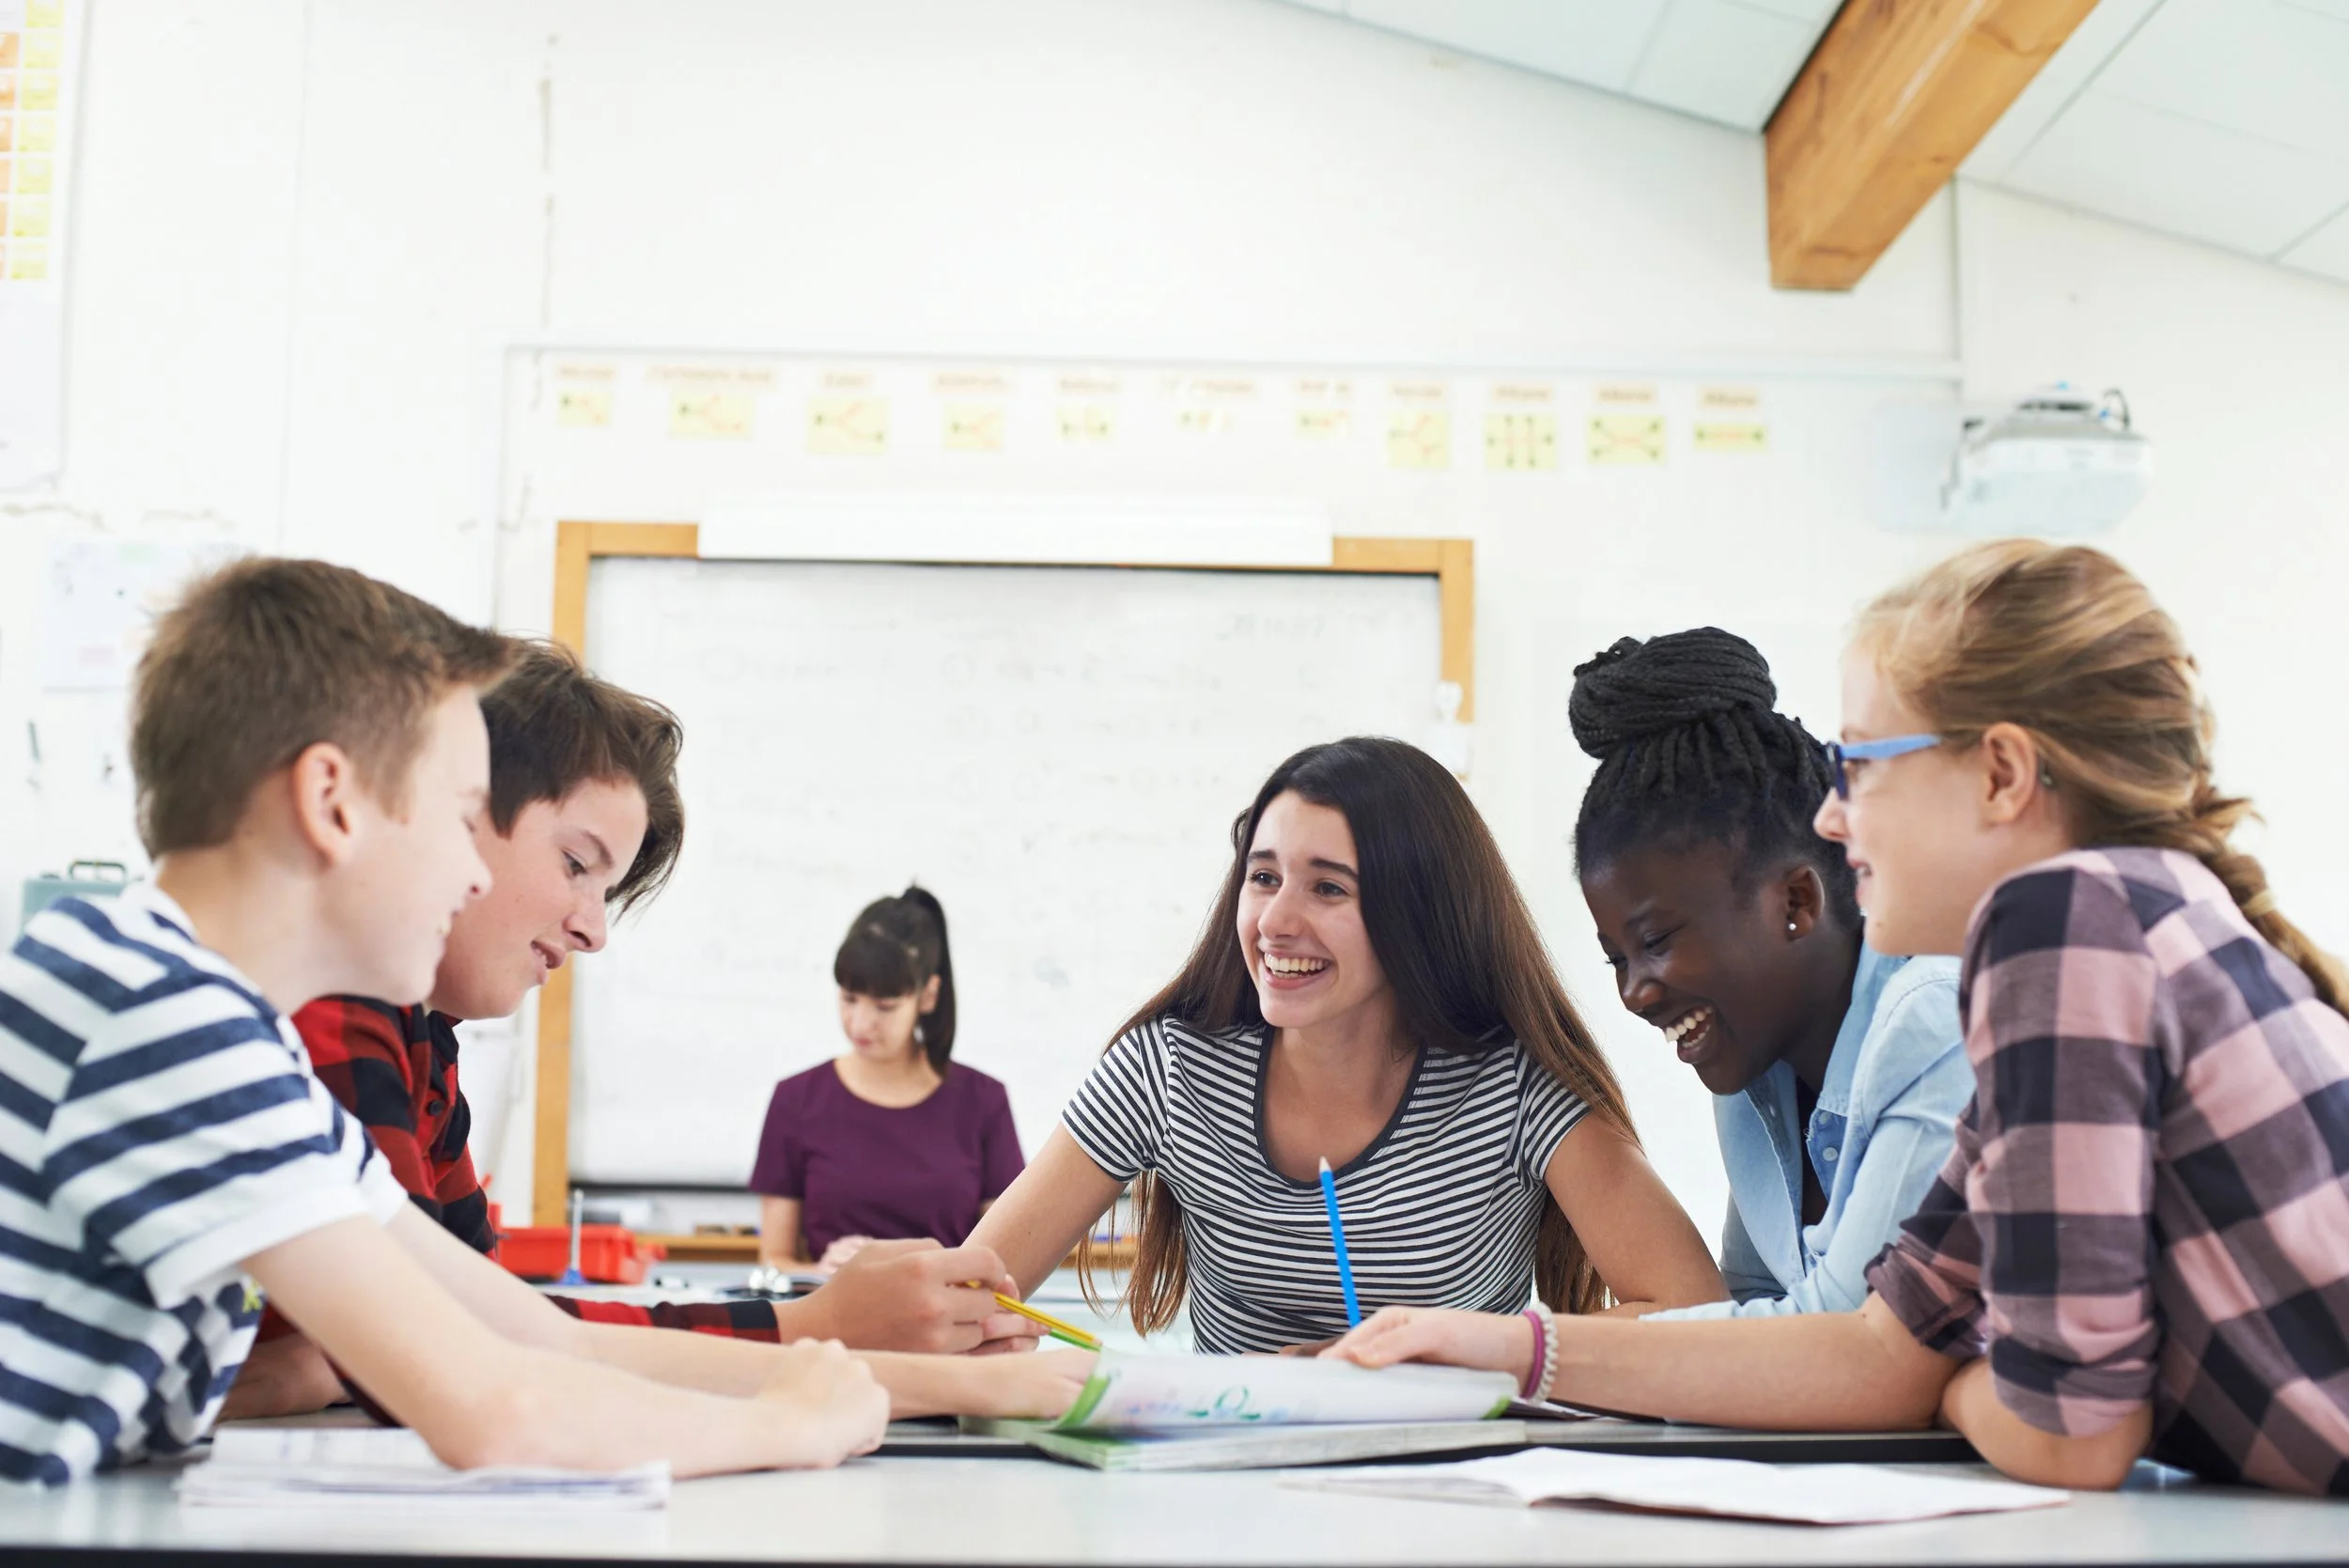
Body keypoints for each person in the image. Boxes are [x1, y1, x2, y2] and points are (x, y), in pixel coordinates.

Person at [1327, 542, 2349, 1496]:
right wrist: (1508, 1346)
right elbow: (1879, 1347)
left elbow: (2070, 1433)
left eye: (1859, 766)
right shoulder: (2112, 926)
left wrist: (1953, 1389)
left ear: (2000, 774)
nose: (1829, 815)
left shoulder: (2060, 925)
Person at [0, 558, 883, 1483]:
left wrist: (836, 1382)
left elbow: (539, 1340)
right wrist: (793, 1424)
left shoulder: (218, 1026)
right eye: (460, 819)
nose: (471, 873)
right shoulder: (165, 1018)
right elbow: (495, 1411)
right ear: (331, 801)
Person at [228, 644, 1065, 1424]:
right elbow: (455, 1350)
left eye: (607, 889)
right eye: (575, 864)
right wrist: (840, 1341)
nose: (593, 930)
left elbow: (497, 1326)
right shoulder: (333, 999)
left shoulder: (421, 1037)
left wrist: (339, 1362)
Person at [969, 736, 1724, 1353]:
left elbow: (1695, 1315)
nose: (1275, 922)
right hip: (1231, 1479)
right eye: (1263, 877)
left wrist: (1470, 1350)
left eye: (1328, 888)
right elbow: (971, 1296)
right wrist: (980, 1333)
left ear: (1419, 912)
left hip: (1453, 1481)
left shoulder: (1515, 1085)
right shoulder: (1167, 1069)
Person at [1568, 627, 1968, 1316]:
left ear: (1795, 902)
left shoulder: (1935, 1020)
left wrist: (1531, 1347)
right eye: (1617, 958)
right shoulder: (1751, 1075)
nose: (1634, 992)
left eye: (1656, 940)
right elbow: (1755, 1299)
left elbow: (1844, 1334)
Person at [753, 888, 1023, 1275]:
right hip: (833, 1312)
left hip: (951, 1310)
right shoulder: (795, 1099)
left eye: (885, 1006)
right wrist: (822, 1273)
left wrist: (919, 1269)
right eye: (849, 999)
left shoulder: (983, 1101)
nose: (861, 1024)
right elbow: (774, 1261)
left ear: (927, 996)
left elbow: (1007, 1261)